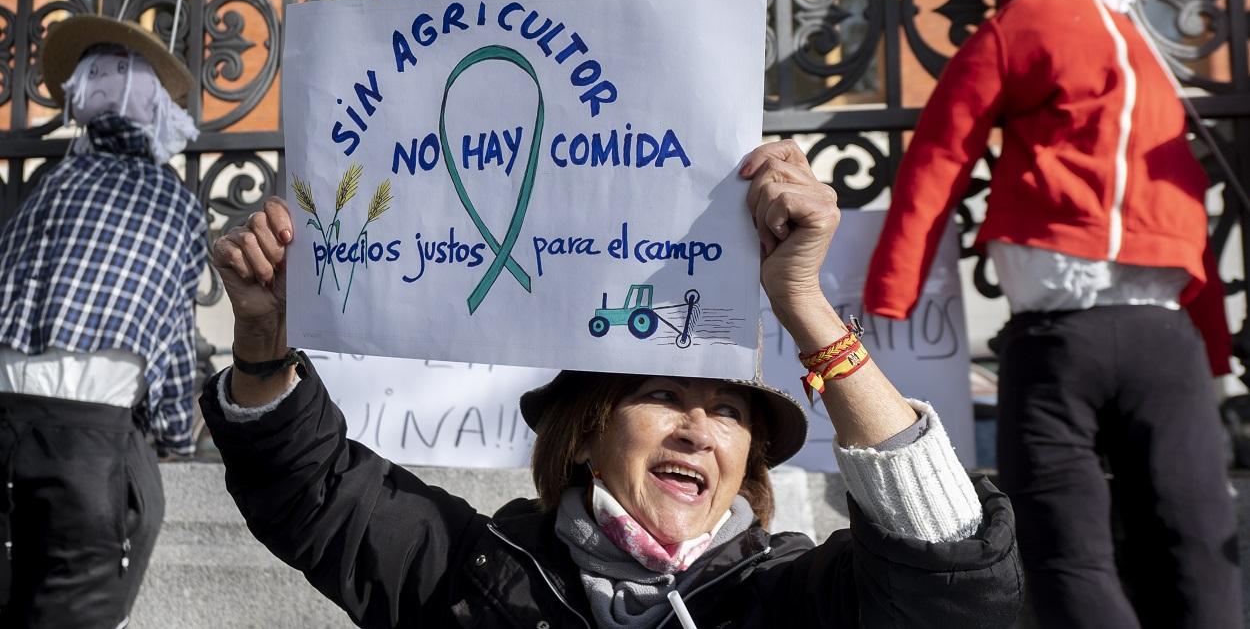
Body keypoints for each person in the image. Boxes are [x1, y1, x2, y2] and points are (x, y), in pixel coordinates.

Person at [202, 139, 1022, 628]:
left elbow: (953, 570)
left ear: (750, 461)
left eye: (730, 412)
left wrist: (803, 304)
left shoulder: (790, 598)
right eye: (664, 396)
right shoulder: (477, 573)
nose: (699, 428)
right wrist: (264, 345)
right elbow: (309, 488)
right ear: (589, 431)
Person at [863, 0, 1242, 626]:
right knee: (1194, 539)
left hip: (1057, 336)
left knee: (1067, 550)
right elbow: (1188, 205)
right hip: (1164, 334)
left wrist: (889, 293)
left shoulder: (1020, 25)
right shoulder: (1151, 55)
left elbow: (939, 157)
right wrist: (1211, 345)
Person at [0, 15, 207, 627]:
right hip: (87, 452)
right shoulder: (174, 204)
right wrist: (174, 437)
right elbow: (168, 352)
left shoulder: (48, 187)